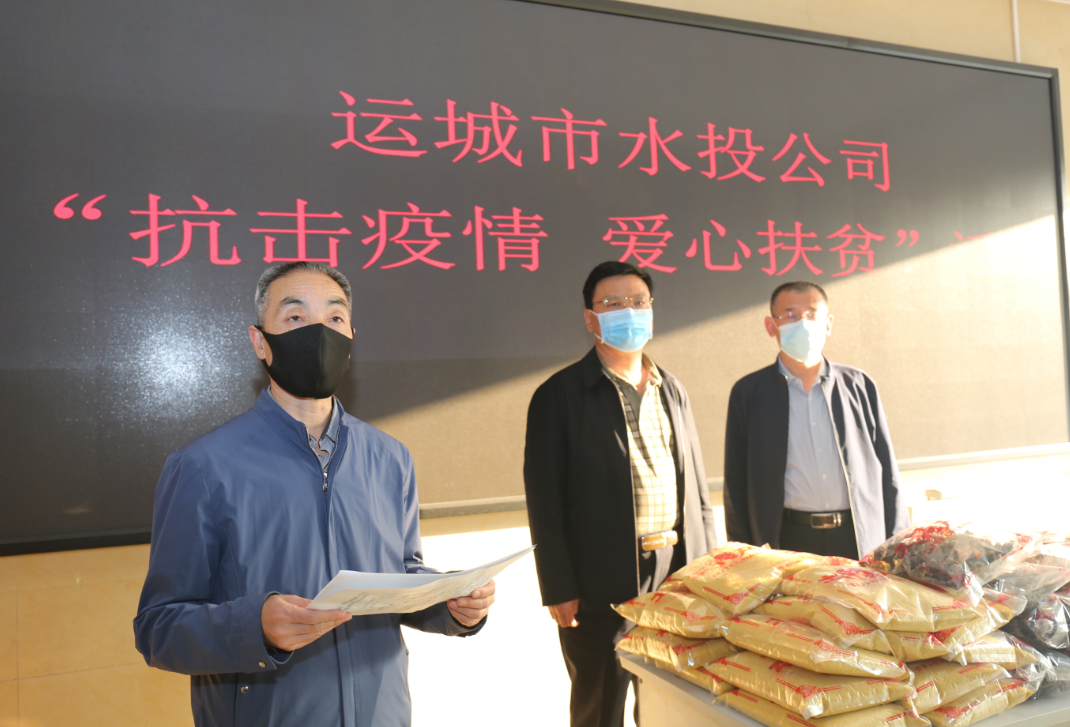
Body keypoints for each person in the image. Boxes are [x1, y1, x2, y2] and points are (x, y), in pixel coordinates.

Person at [133, 262, 495, 727]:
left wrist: (451, 604)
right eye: (296, 317)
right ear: (260, 342)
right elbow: (159, 629)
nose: (319, 332)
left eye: (335, 317)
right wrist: (254, 627)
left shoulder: (390, 457)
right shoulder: (203, 467)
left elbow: (400, 575)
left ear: (351, 339)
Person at [524, 260, 719, 727]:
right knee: (600, 707)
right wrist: (558, 586)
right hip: (599, 581)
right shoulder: (559, 394)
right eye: (612, 304)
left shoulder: (672, 388)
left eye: (638, 301)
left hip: (677, 573)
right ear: (591, 319)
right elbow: (545, 502)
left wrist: (711, 572)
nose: (628, 312)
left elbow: (697, 488)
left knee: (675, 705)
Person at [723, 280, 908, 559]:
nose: (803, 323)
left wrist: (898, 545)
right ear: (771, 326)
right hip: (786, 540)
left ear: (828, 323)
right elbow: (736, 484)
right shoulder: (748, 393)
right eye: (790, 315)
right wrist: (743, 555)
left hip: (858, 538)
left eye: (812, 315)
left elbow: (888, 472)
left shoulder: (859, 385)